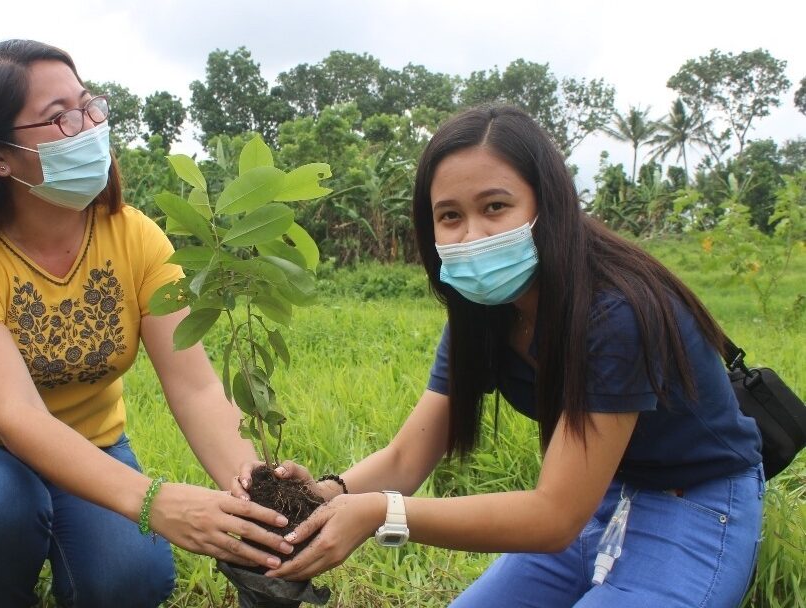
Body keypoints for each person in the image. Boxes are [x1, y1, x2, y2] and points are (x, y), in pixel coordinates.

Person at [241, 105, 765, 607]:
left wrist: (385, 513)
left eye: (495, 206)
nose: (473, 236)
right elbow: (407, 457)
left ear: (547, 204)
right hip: (604, 495)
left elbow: (554, 516)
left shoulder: (614, 312)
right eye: (450, 216)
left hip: (696, 501)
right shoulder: (481, 312)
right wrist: (330, 492)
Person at [0, 39, 294, 608]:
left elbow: (195, 385)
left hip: (91, 443)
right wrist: (156, 501)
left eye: (88, 106)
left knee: (132, 580)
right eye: (57, 119)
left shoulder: (136, 237)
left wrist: (260, 497)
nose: (86, 128)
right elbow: (18, 418)